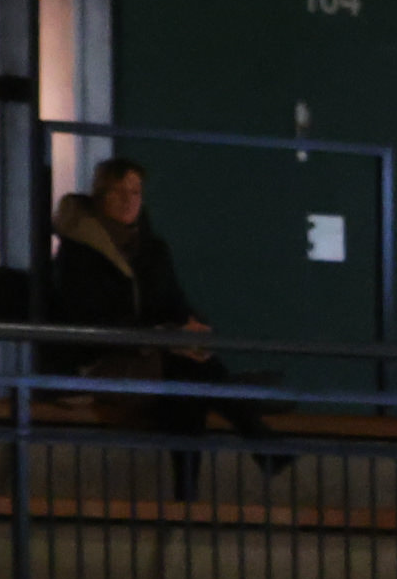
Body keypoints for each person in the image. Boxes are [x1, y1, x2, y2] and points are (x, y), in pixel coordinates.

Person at [46, 158, 275, 472]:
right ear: (100, 196)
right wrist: (164, 336)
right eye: (118, 192)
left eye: (135, 192)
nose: (129, 200)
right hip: (101, 363)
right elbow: (92, 322)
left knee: (190, 380)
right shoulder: (78, 254)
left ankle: (195, 488)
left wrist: (191, 329)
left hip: (155, 357)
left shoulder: (152, 249)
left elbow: (175, 302)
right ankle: (259, 439)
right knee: (191, 376)